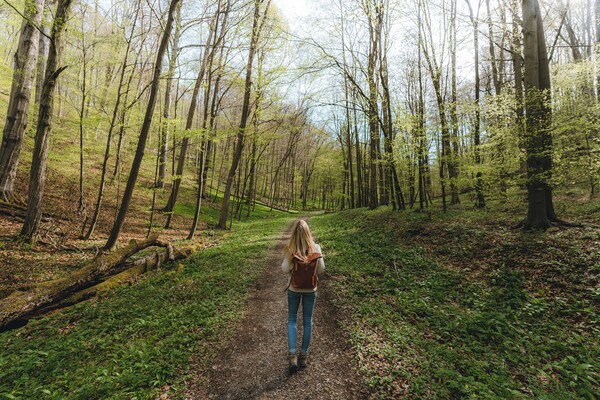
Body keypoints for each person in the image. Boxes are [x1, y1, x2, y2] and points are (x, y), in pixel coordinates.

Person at [281, 219, 325, 374]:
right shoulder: (316, 248)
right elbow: (321, 269)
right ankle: (303, 357)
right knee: (308, 322)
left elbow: (285, 269)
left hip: (294, 289)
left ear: (294, 234)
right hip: (311, 289)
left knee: (292, 320)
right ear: (308, 233)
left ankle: (292, 356)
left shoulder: (291, 248)